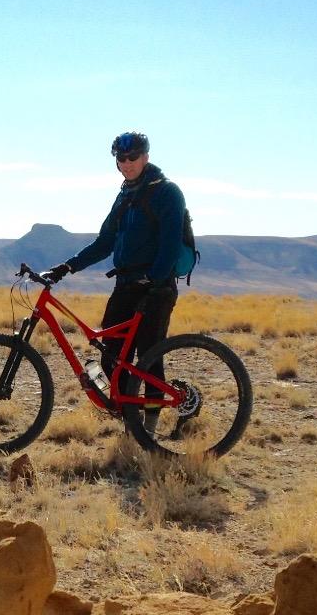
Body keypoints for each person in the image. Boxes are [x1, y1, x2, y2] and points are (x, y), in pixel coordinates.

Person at [41, 131, 185, 434]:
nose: (127, 163)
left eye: (133, 157)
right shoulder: (125, 196)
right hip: (125, 285)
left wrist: (155, 279)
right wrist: (68, 266)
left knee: (149, 357)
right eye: (121, 158)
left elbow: (171, 244)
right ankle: (127, 415)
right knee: (112, 355)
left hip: (155, 287)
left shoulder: (167, 192)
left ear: (146, 157)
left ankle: (150, 426)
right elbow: (104, 242)